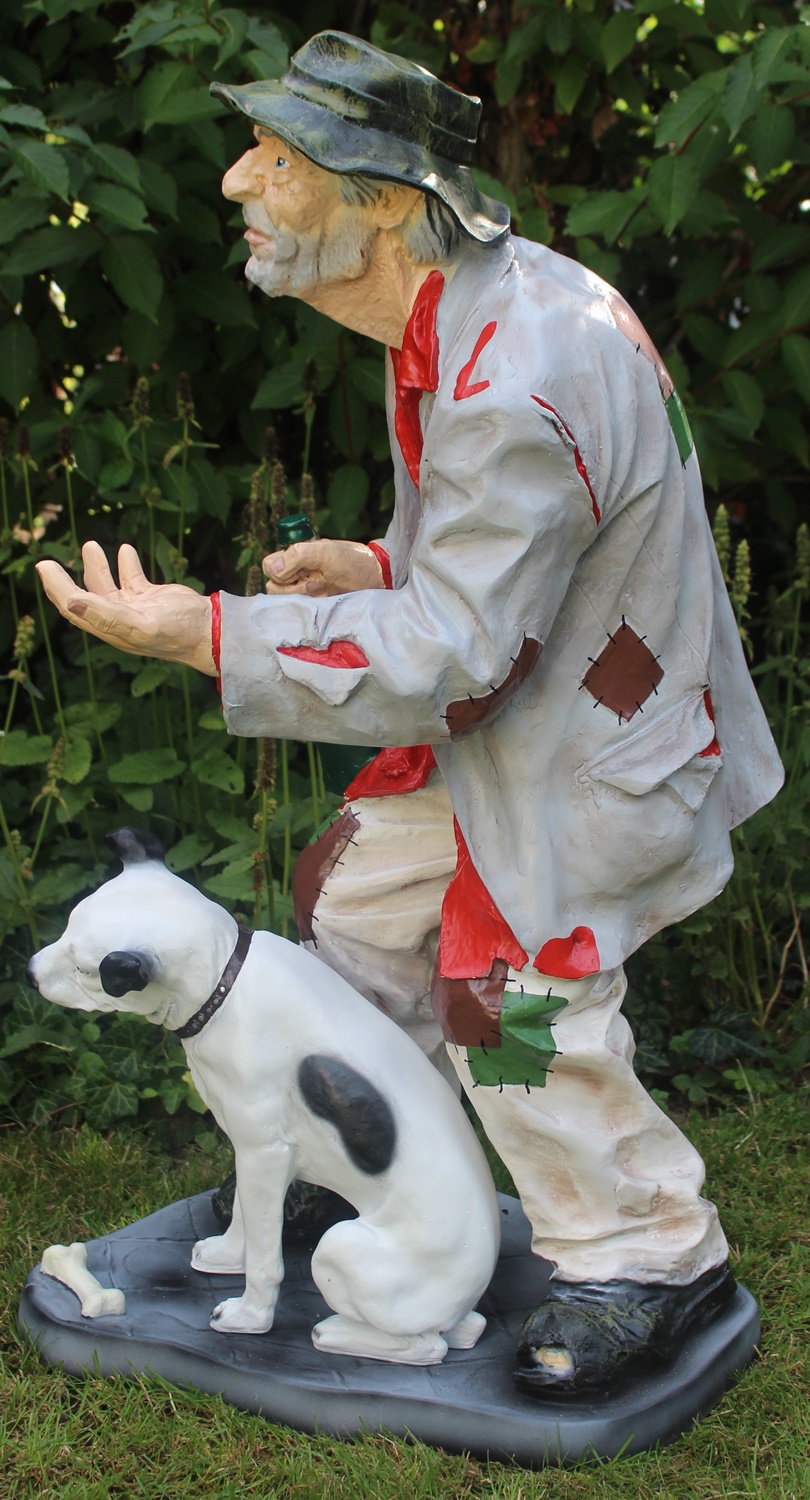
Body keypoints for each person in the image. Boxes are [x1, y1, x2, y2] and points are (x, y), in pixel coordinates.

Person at [37, 31, 783, 1396]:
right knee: (356, 907)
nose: (236, 182)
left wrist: (204, 634)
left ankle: (646, 1257)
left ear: (381, 199)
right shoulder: (480, 304)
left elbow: (452, 654)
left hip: (587, 750)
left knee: (504, 1003)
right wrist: (377, 566)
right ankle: (355, 1159)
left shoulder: (507, 374)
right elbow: (514, 558)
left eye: (281, 161)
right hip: (536, 701)